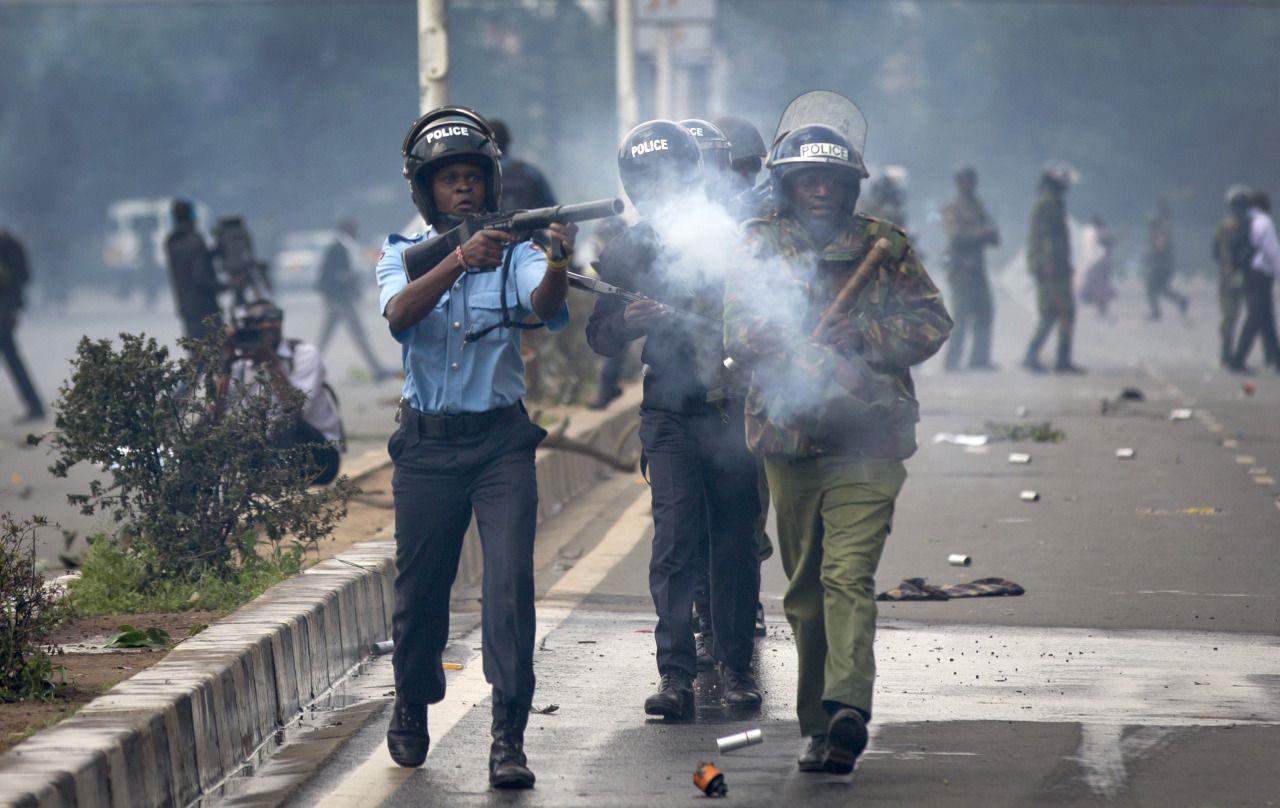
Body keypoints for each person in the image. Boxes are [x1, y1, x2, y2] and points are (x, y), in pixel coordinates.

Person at [722, 98, 951, 775]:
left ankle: (848, 705)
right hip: (790, 440)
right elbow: (739, 335)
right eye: (808, 180)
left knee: (847, 575)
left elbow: (932, 323)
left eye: (833, 181)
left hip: (868, 442)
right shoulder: (757, 243)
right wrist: (795, 336)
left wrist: (868, 335)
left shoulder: (887, 244)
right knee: (804, 593)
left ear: (851, 186)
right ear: (787, 184)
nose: (821, 190)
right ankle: (819, 725)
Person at [375, 106, 574, 789]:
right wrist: (459, 260)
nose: (462, 189)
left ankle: (507, 737)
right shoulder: (398, 250)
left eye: (471, 177)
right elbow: (400, 315)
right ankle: (411, 698)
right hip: (427, 448)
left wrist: (557, 257)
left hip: (500, 446)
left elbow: (546, 306)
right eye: (447, 179)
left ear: (490, 183)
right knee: (419, 596)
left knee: (510, 586)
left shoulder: (515, 252)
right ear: (425, 191)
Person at [586, 119, 763, 721]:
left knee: (736, 541)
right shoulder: (629, 249)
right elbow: (599, 336)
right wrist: (627, 321)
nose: (662, 188)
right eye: (648, 180)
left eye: (672, 175)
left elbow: (772, 312)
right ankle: (675, 676)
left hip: (730, 408)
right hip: (667, 413)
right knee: (674, 542)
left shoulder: (737, 236)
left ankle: (736, 667)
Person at [215, 300, 343, 484]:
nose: (266, 328)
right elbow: (216, 412)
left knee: (285, 420)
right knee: (221, 427)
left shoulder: (303, 354)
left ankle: (279, 484)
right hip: (267, 454)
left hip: (319, 456)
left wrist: (272, 363)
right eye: (258, 325)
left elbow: (296, 410)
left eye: (272, 323)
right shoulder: (241, 363)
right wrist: (226, 360)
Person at [489, 119, 558, 400]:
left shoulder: (482, 177)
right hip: (531, 257)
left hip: (488, 259)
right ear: (509, 141)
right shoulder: (529, 173)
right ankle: (533, 390)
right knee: (529, 328)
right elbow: (553, 213)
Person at [1022, 162, 1084, 374]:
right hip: (1052, 269)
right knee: (1065, 311)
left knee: (1050, 313)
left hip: (1053, 267)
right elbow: (1047, 237)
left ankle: (1033, 355)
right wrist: (1050, 264)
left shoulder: (1051, 201)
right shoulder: (1048, 203)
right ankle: (1060, 359)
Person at [315, 219, 394, 382]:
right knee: (358, 335)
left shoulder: (343, 246)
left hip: (339, 299)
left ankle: (307, 366)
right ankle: (377, 370)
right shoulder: (338, 248)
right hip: (341, 299)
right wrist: (346, 279)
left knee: (326, 337)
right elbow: (331, 273)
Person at [941, 166, 999, 371]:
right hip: (960, 269)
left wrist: (987, 234)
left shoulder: (978, 205)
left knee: (985, 312)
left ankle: (979, 359)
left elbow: (991, 233)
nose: (971, 185)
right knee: (961, 315)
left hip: (977, 269)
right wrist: (981, 234)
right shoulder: (953, 207)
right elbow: (957, 234)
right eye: (967, 181)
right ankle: (952, 360)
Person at [1230, 190, 1280, 372]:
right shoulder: (1264, 222)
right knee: (1256, 318)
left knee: (1266, 317)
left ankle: (1275, 359)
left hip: (1249, 274)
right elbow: (1272, 252)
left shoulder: (1247, 220)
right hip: (1261, 275)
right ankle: (1238, 359)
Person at [585, 216, 630, 410]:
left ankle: (606, 389)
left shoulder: (623, 243)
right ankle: (606, 390)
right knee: (613, 339)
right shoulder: (613, 239)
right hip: (616, 294)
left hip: (624, 291)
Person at [0, 229, 44, 423]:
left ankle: (35, 406)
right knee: (13, 360)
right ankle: (35, 406)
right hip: (7, 310)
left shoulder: (9, 246)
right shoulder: (11, 244)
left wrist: (9, 308)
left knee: (13, 360)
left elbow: (22, 277)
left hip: (4, 312)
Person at [165, 199, 223, 342]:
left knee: (197, 352)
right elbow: (201, 278)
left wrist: (211, 253)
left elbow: (189, 264)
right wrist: (225, 286)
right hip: (205, 308)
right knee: (214, 353)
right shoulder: (194, 241)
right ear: (192, 217)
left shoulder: (172, 241)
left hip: (187, 308)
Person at [1214, 185, 1254, 367]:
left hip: (1234, 277)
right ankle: (1227, 353)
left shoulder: (1228, 227)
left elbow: (1215, 252)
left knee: (1233, 317)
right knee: (1232, 317)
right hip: (1232, 278)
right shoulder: (1232, 227)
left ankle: (1229, 353)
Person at [1143, 196, 1188, 320]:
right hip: (1165, 265)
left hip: (1161, 265)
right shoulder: (1159, 232)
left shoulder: (1159, 233)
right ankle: (1181, 300)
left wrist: (1150, 256)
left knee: (1151, 287)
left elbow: (1159, 248)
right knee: (1162, 288)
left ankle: (1155, 312)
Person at [212, 215, 266, 307]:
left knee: (235, 286)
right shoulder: (242, 232)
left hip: (231, 266)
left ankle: (238, 303)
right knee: (250, 284)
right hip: (244, 265)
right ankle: (260, 303)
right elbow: (249, 250)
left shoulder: (223, 233)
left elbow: (219, 251)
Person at [1078, 214, 1119, 319]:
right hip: (1103, 263)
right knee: (1101, 287)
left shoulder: (1093, 234)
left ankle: (1101, 310)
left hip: (1096, 264)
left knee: (1097, 287)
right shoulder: (1103, 233)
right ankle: (1101, 309)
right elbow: (1113, 242)